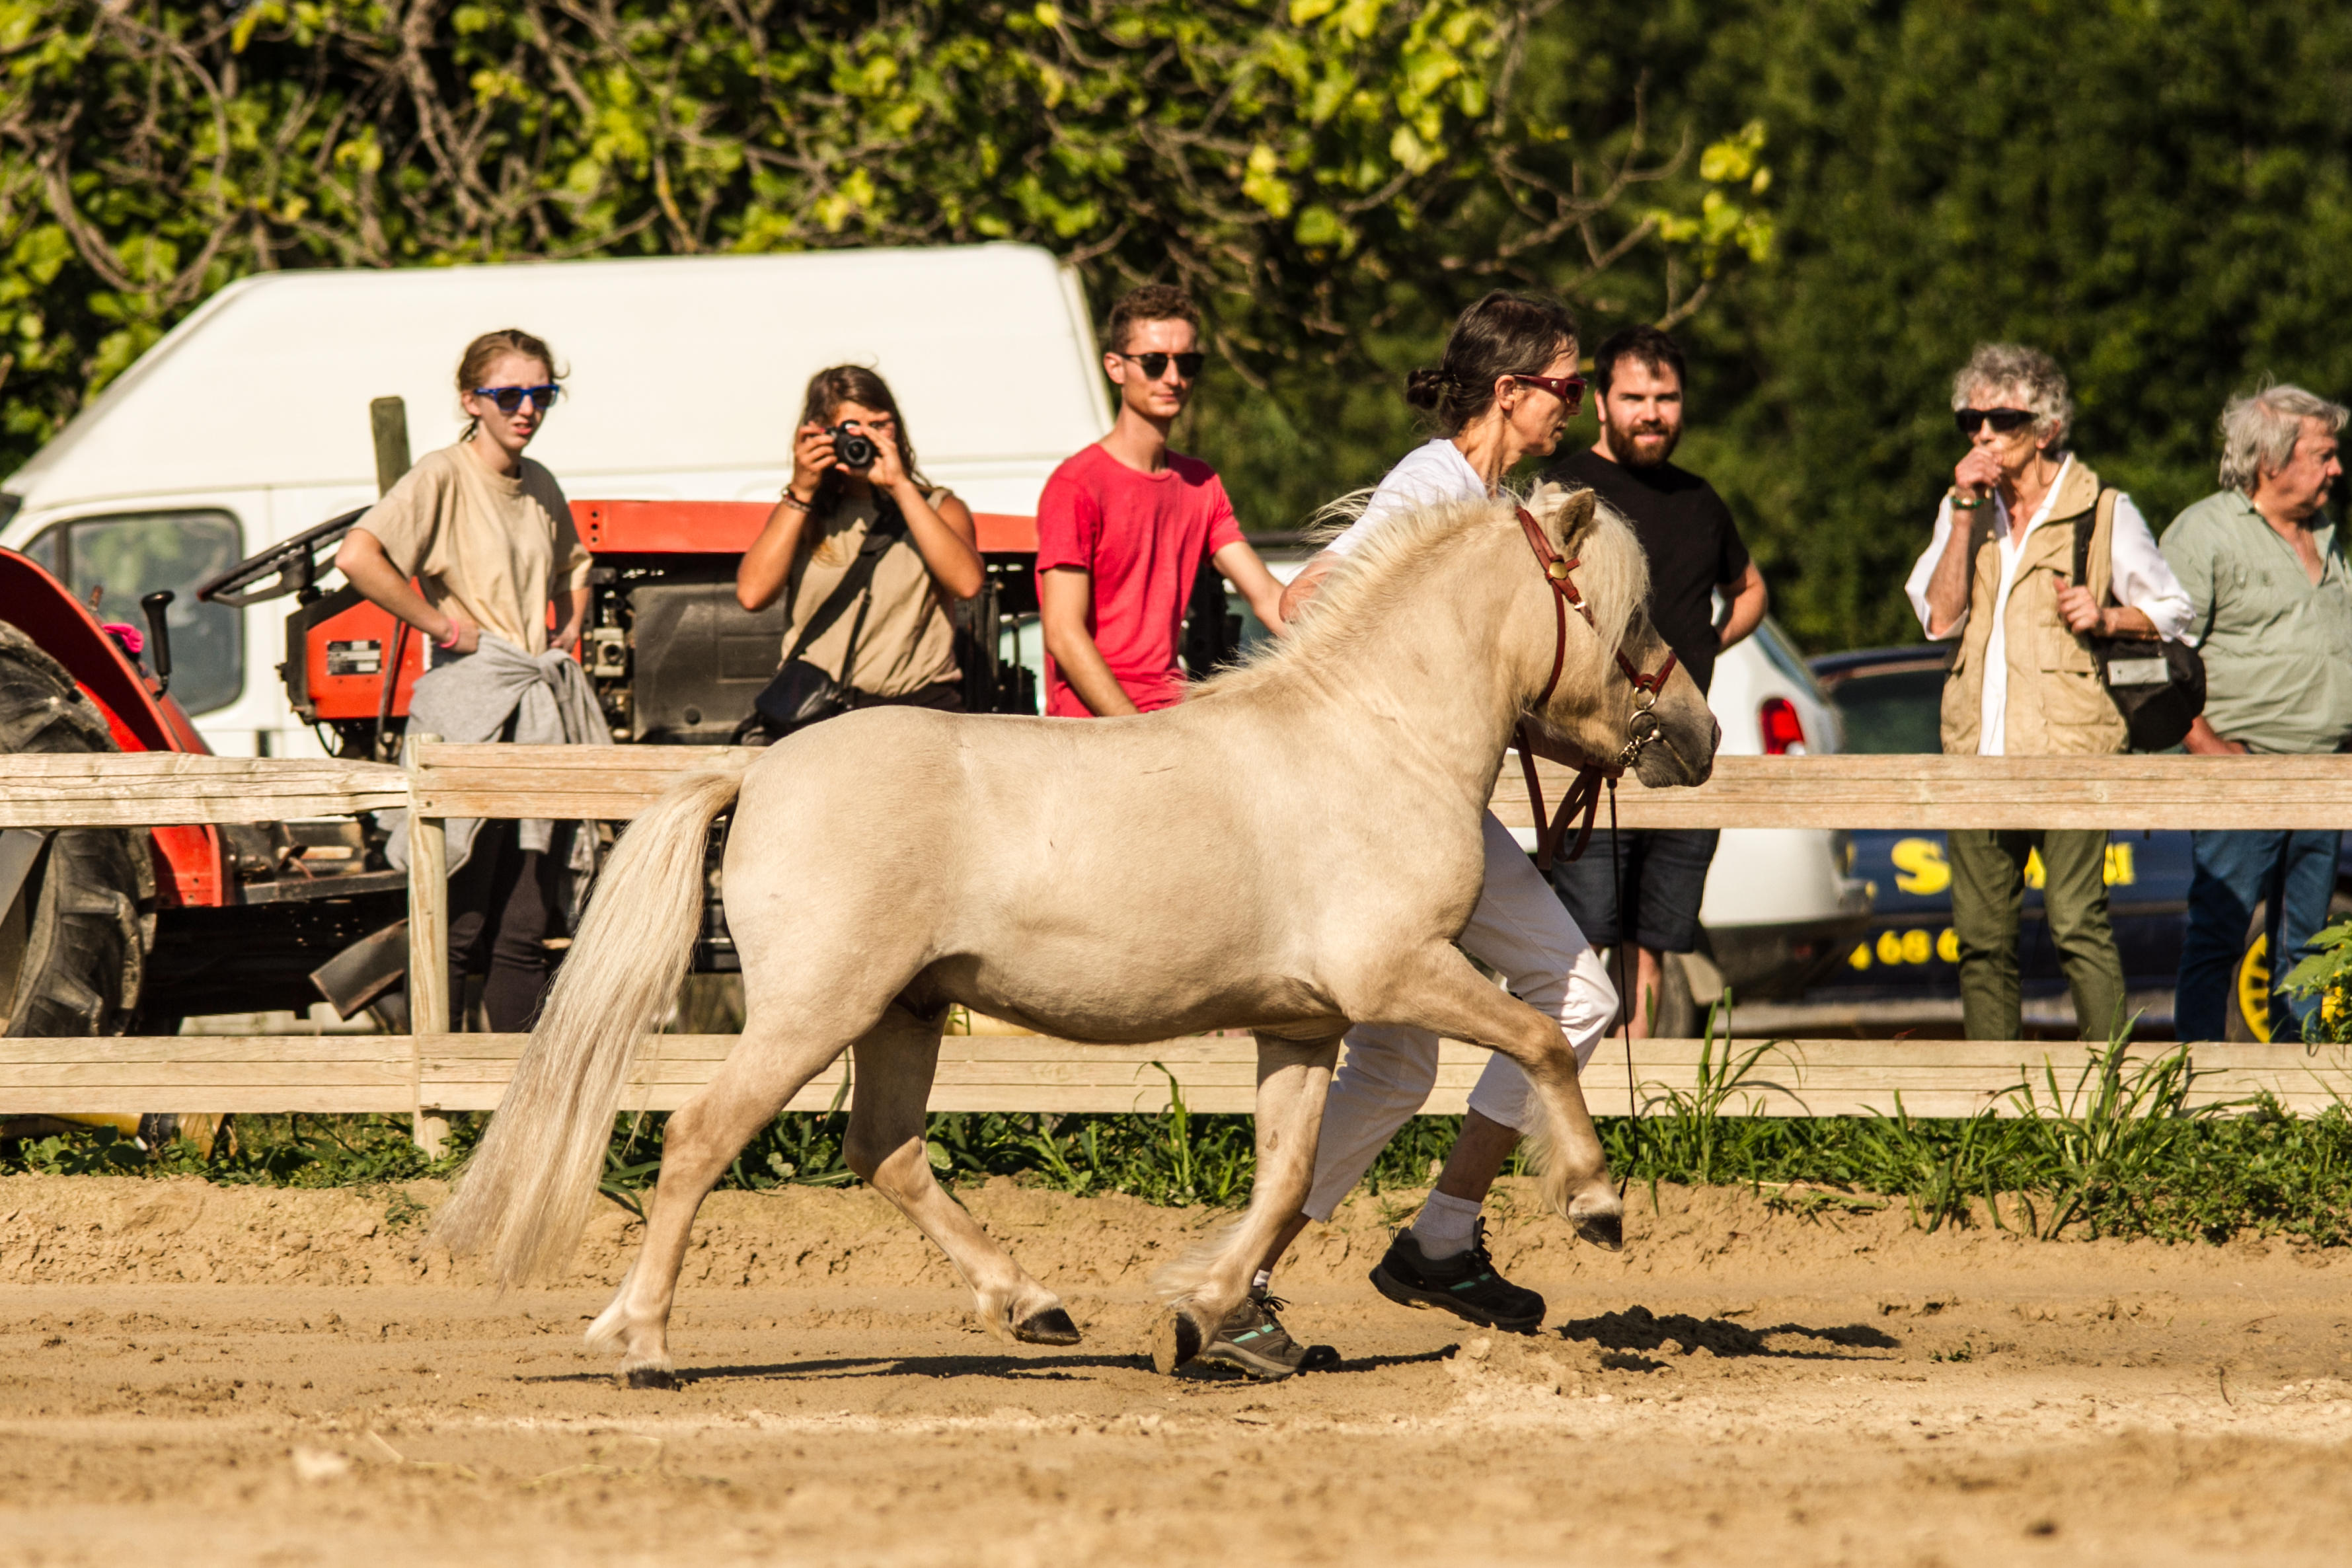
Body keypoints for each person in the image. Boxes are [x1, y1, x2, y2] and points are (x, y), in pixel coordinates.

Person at [1196, 290, 1618, 1381]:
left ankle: (1254, 1281)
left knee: (1394, 1059)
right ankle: (1431, 1239)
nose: (1572, 406)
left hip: (1413, 803)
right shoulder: (1432, 489)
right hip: (1383, 811)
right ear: (1507, 390)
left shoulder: (1483, 495)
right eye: (1564, 388)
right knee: (1574, 992)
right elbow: (1305, 603)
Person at [1905, 344, 2193, 1043]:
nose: (1982, 434)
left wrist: (2107, 614)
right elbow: (1938, 619)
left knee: (2075, 923)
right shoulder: (1964, 513)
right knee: (1980, 938)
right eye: (1969, 421)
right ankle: (1993, 1114)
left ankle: (2108, 1103)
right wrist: (1961, 512)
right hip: (1978, 753)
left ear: (2046, 427)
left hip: (2071, 753)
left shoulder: (2102, 511)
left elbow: (2174, 610)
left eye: (2001, 418)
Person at [335, 328, 601, 1033]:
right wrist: (442, 628)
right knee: (459, 919)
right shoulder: (443, 474)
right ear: (470, 400)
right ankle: (433, 1118)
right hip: (471, 709)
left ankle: (519, 1118)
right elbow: (358, 556)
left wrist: (567, 631)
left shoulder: (540, 482)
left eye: (541, 394)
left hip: (535, 716)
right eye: (509, 394)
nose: (527, 409)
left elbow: (577, 564)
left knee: (524, 928)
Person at [1540, 325, 1765, 1036]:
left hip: (1681, 749)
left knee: (1653, 951)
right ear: (1601, 403)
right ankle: (1575, 1106)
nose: (1651, 412)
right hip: (1593, 755)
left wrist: (1702, 646)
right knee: (1582, 943)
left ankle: (1640, 1132)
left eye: (1665, 398)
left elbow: (1750, 588)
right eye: (1634, 396)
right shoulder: (1568, 494)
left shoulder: (1701, 500)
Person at [2162, 385, 2352, 1043]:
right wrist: (2207, 748)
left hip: (2324, 774)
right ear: (2271, 464)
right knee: (2219, 934)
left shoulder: (2324, 531)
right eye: (2323, 455)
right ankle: (2193, 1098)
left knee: (2308, 949)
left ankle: (2302, 1111)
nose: (2336, 469)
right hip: (2242, 769)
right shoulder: (2203, 532)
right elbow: (2158, 656)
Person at [1037, 284, 1287, 715]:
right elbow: (1062, 632)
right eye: (1154, 363)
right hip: (1089, 734)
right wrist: (1137, 734)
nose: (1173, 378)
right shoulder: (1075, 485)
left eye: (1186, 363)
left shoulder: (1200, 483)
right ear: (1115, 368)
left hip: (1170, 715)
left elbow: (1266, 598)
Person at [736, 365, 985, 726]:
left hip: (919, 713)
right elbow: (752, 595)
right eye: (853, 429)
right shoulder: (801, 514)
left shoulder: (938, 509)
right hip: (822, 717)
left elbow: (967, 584)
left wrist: (900, 487)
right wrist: (802, 491)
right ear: (820, 434)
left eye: (879, 425)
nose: (865, 440)